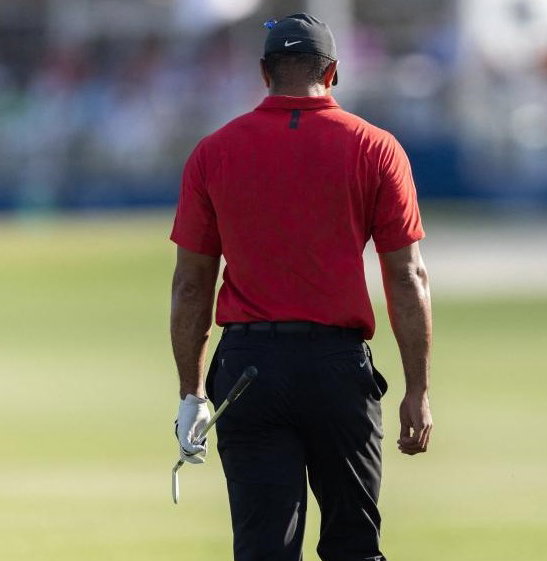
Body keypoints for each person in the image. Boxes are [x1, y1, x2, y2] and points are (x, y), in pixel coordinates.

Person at [169, 13, 432, 561]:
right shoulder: (376, 148)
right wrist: (416, 388)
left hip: (247, 368)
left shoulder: (214, 152)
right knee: (353, 546)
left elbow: (192, 286)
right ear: (332, 71)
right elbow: (407, 276)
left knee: (264, 549)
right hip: (336, 368)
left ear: (265, 73)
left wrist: (190, 393)